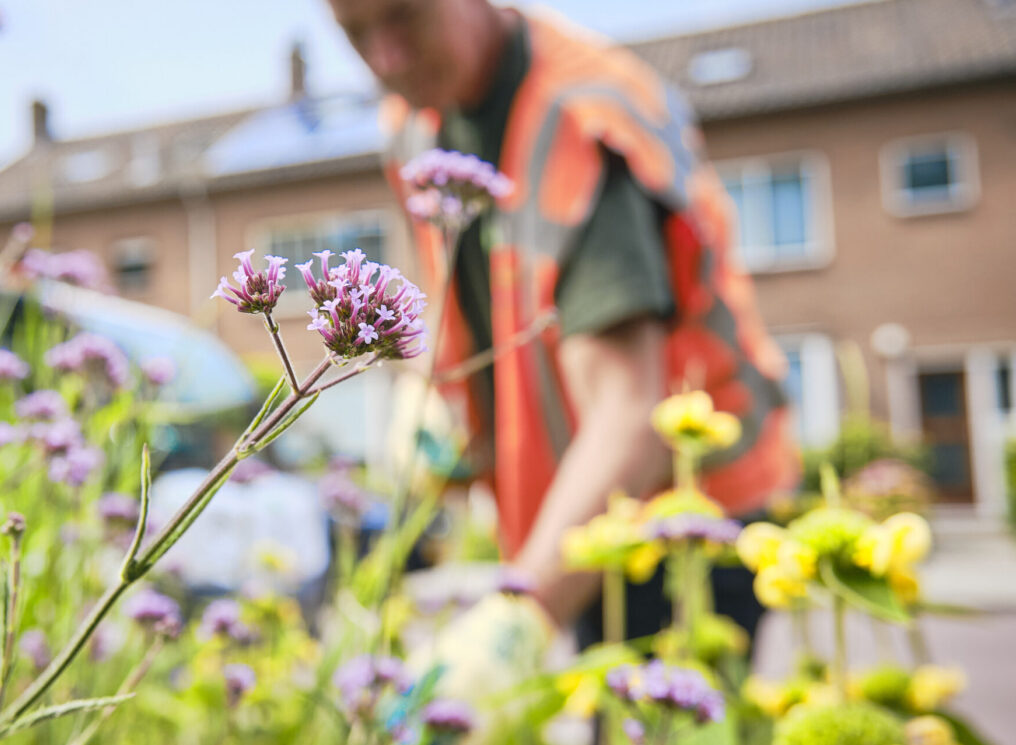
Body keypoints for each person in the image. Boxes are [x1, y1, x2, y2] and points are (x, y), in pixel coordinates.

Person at [326, 0, 800, 649]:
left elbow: (630, 415)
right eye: (355, 34)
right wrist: (440, 401)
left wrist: (518, 620)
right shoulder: (412, 120)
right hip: (585, 512)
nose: (385, 59)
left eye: (404, 17)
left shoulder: (581, 120)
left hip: (689, 517)